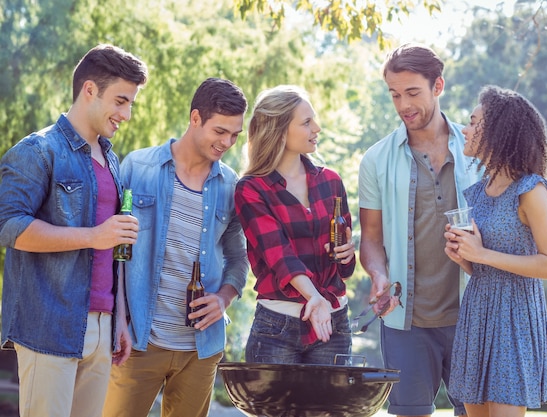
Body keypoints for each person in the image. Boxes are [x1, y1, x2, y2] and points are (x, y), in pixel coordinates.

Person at [0, 44, 148, 417]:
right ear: (89, 90)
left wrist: (119, 320)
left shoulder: (111, 159)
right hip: (49, 325)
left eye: (130, 103)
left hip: (102, 329)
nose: (126, 114)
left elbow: (111, 253)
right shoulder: (39, 150)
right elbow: (8, 225)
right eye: (120, 101)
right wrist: (93, 235)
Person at [101, 77, 249, 417]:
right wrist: (117, 318)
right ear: (195, 118)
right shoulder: (138, 168)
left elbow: (238, 259)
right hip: (137, 340)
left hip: (201, 349)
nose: (227, 142)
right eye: (220, 131)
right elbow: (111, 255)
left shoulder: (230, 186)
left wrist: (224, 298)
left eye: (235, 135)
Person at [358, 43, 482, 417]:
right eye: (395, 94)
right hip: (404, 322)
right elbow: (372, 239)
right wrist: (377, 274)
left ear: (438, 86)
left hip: (473, 315)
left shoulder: (476, 149)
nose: (403, 105)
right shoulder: (376, 159)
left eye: (412, 92)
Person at [444, 85, 547, 417]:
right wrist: (465, 257)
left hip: (515, 317)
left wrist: (482, 255)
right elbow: (485, 263)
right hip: (478, 312)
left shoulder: (531, 189)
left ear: (498, 131)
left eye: (473, 122)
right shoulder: (477, 193)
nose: (465, 129)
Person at [234, 85, 356, 365]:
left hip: (333, 323)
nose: (318, 127)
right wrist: (314, 298)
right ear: (279, 129)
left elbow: (344, 270)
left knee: (329, 410)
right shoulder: (251, 189)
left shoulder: (331, 181)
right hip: (278, 328)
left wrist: (348, 255)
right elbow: (279, 256)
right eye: (306, 122)